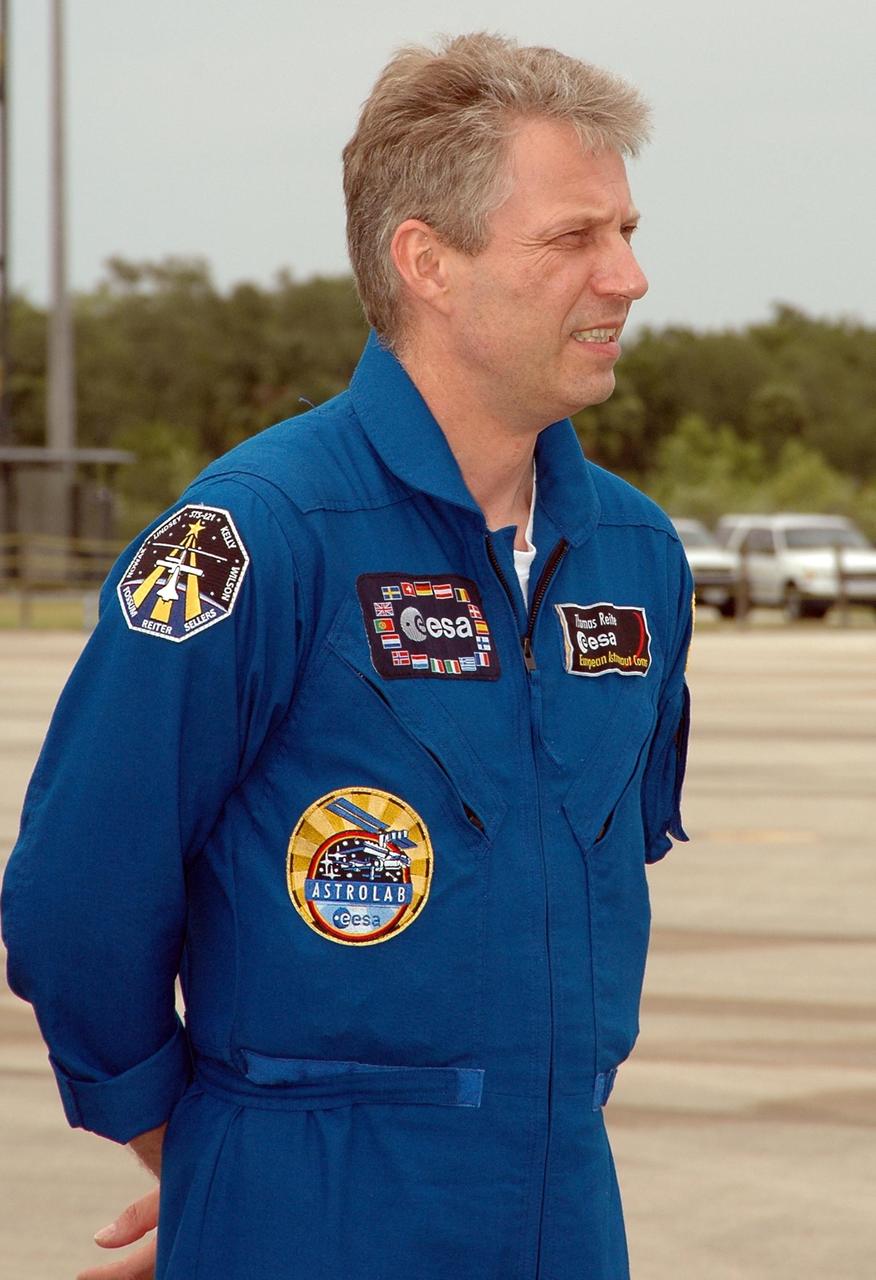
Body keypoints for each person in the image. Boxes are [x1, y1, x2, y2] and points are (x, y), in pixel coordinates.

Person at [2, 32, 693, 1280]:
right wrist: (208, 1158)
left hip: (565, 1209)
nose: (629, 276)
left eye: (629, 230)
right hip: (308, 1210)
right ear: (426, 259)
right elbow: (76, 898)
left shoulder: (634, 557)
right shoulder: (256, 535)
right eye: (574, 237)